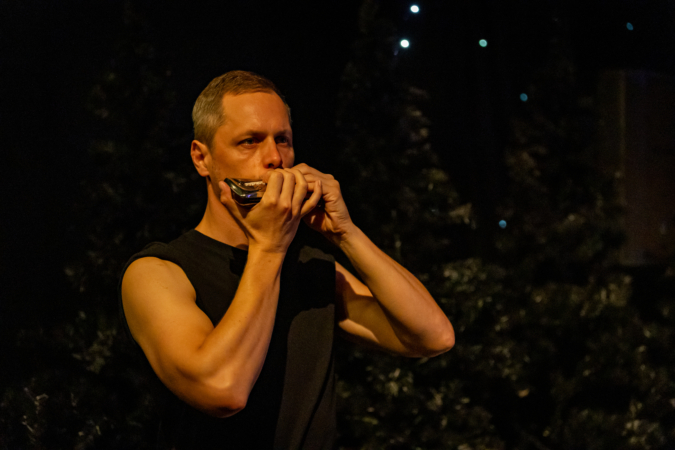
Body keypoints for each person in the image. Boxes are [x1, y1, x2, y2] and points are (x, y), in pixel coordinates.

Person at [120, 70, 454, 449]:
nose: (275, 159)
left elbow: (434, 336)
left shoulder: (307, 266)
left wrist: (346, 233)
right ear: (202, 158)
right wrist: (268, 247)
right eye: (249, 142)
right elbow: (222, 390)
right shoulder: (157, 272)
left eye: (282, 140)